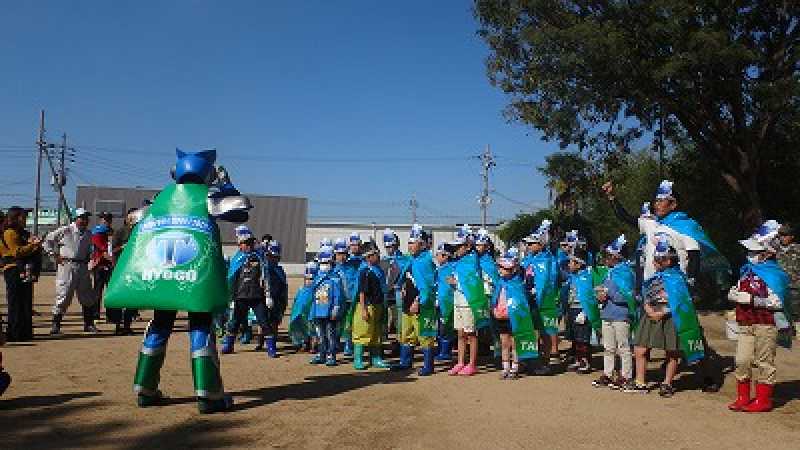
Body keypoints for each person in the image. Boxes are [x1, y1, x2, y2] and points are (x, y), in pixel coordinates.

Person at [104, 149, 251, 413]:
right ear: (208, 173)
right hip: (195, 275)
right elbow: (240, 210)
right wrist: (226, 183)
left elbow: (133, 218)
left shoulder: (162, 198)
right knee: (201, 325)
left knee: (160, 323)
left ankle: (144, 388)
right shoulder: (206, 197)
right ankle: (208, 394)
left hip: (162, 273)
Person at [602, 179, 725, 392]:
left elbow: (694, 257)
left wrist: (691, 286)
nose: (656, 204)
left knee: (689, 334)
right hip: (650, 291)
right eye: (656, 200)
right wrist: (612, 197)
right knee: (644, 337)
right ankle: (640, 379)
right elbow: (626, 218)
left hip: (676, 290)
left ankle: (707, 375)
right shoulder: (651, 224)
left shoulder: (686, 227)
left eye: (662, 200)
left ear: (673, 204)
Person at [627, 233, 704, 397]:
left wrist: (663, 312)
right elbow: (646, 294)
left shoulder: (678, 279)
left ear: (668, 261)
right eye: (654, 259)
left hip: (670, 318)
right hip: (650, 315)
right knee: (640, 348)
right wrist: (648, 308)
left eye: (657, 260)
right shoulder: (654, 277)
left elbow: (682, 302)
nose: (654, 263)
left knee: (672, 351)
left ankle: (667, 383)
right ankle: (640, 381)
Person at [727, 220, 790, 413]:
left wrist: (753, 300)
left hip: (766, 323)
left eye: (755, 252)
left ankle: (763, 400)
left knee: (764, 361)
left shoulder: (776, 275)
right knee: (742, 360)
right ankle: (742, 397)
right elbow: (733, 291)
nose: (750, 256)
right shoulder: (746, 272)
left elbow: (777, 303)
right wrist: (734, 295)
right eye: (750, 252)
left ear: (768, 253)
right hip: (745, 323)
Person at [391, 224, 437, 376]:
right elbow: (407, 276)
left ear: (422, 244)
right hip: (407, 304)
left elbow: (428, 286)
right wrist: (403, 286)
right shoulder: (411, 260)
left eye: (413, 243)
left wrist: (418, 301)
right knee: (407, 334)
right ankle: (405, 362)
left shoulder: (426, 261)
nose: (409, 246)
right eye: (409, 242)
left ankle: (428, 366)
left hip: (421, 306)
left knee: (424, 335)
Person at [592, 235, 637, 390]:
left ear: (617, 256)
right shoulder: (609, 273)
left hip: (620, 315)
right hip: (607, 314)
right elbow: (601, 290)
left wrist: (607, 293)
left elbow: (626, 296)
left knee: (623, 347)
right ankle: (608, 373)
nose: (606, 259)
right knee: (608, 347)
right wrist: (598, 295)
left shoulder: (626, 273)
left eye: (609, 256)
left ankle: (626, 376)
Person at [220, 227, 271, 356]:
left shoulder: (260, 257)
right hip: (241, 296)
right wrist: (231, 298)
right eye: (244, 243)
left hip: (257, 296)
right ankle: (229, 345)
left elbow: (265, 277)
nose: (246, 246)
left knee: (264, 322)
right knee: (234, 322)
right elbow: (231, 279)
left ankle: (271, 348)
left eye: (248, 243)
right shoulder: (236, 259)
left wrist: (268, 295)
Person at [44, 208, 96, 334]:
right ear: (75, 218)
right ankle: (56, 324)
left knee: (86, 296)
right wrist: (54, 255)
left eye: (86, 218)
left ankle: (88, 324)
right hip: (67, 265)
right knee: (64, 294)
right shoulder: (65, 230)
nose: (85, 220)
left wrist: (91, 258)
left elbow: (90, 249)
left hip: (83, 266)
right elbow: (47, 241)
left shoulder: (88, 234)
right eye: (82, 218)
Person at [447, 227, 490, 376]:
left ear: (468, 246)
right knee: (460, 334)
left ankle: (472, 363)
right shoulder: (460, 261)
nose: (456, 249)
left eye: (459, 246)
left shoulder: (472, 260)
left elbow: (473, 282)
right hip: (458, 301)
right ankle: (460, 362)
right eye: (456, 246)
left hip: (469, 302)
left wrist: (455, 283)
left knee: (471, 334)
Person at [492, 248, 538, 379]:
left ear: (513, 269)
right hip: (501, 317)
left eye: (504, 268)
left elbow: (522, 302)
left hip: (515, 318)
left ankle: (515, 367)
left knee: (515, 343)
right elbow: (495, 298)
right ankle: (505, 367)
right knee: (504, 343)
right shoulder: (500, 283)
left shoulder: (518, 284)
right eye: (500, 267)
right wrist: (494, 309)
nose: (500, 270)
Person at [520, 220, 560, 375]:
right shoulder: (529, 259)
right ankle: (530, 360)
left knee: (545, 332)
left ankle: (545, 362)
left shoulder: (547, 260)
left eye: (532, 244)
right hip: (529, 300)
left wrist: (536, 297)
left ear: (541, 244)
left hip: (543, 302)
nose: (529, 247)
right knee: (530, 331)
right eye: (528, 244)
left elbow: (545, 283)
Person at [1, 207, 41, 341]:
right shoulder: (9, 233)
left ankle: (25, 333)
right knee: (16, 302)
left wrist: (33, 242)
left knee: (26, 302)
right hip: (13, 269)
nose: (25, 220)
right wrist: (33, 245)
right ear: (15, 218)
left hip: (24, 269)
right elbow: (16, 252)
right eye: (23, 217)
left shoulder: (22, 233)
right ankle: (14, 333)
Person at [352, 241, 390, 370]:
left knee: (376, 334)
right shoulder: (365, 272)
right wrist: (363, 310)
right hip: (367, 306)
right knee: (362, 333)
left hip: (378, 305)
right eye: (375, 254)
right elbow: (362, 292)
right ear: (368, 257)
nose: (378, 256)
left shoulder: (378, 270)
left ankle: (376, 358)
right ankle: (358, 359)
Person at [564, 247, 601, 374]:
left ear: (579, 264)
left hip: (582, 309)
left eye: (571, 262)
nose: (569, 265)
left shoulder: (587, 277)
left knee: (583, 338)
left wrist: (585, 312)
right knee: (575, 337)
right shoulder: (573, 277)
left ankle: (586, 361)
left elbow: (590, 297)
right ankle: (578, 359)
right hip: (572, 308)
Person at [309, 246, 345, 366]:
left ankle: (331, 354)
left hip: (330, 313)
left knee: (330, 334)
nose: (324, 265)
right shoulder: (317, 278)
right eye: (322, 262)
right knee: (320, 334)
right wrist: (312, 312)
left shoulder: (335, 278)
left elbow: (338, 295)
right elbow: (313, 296)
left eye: (327, 262)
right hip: (318, 311)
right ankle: (321, 353)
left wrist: (336, 307)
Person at [107, 208, 138, 334]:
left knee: (132, 299)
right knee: (119, 298)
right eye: (131, 216)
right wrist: (124, 246)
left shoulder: (140, 231)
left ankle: (127, 325)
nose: (134, 219)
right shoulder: (120, 232)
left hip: (135, 269)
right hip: (120, 268)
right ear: (126, 218)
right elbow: (112, 251)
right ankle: (117, 325)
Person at [263, 240, 288, 358]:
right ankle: (265, 344)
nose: (273, 259)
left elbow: (284, 286)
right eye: (271, 256)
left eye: (276, 257)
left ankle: (272, 345)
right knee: (265, 323)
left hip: (278, 300)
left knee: (274, 323)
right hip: (265, 299)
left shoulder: (280, 270)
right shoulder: (264, 268)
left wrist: (284, 301)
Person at [288, 261, 319, 351]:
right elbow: (295, 302)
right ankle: (304, 342)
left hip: (312, 312)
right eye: (307, 279)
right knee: (301, 326)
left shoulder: (316, 290)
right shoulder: (301, 289)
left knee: (313, 327)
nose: (309, 281)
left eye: (311, 279)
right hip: (301, 314)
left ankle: (314, 345)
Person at [90, 212, 114, 322]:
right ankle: (95, 314)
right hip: (100, 265)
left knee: (111, 291)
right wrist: (114, 261)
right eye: (104, 219)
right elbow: (104, 251)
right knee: (98, 291)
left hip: (109, 265)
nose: (106, 221)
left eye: (108, 219)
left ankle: (111, 315)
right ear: (101, 220)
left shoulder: (110, 232)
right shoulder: (97, 233)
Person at [434, 242, 456, 361]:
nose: (436, 257)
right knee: (440, 327)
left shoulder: (452, 268)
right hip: (440, 301)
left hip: (448, 302)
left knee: (446, 326)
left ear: (446, 256)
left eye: (439, 254)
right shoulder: (439, 269)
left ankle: (446, 351)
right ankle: (441, 349)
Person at [776, 223, 799, 323]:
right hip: (779, 288)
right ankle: (784, 337)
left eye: (785, 235)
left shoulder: (798, 250)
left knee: (796, 315)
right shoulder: (773, 251)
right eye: (781, 235)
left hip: (795, 288)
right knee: (780, 314)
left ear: (792, 237)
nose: (783, 238)